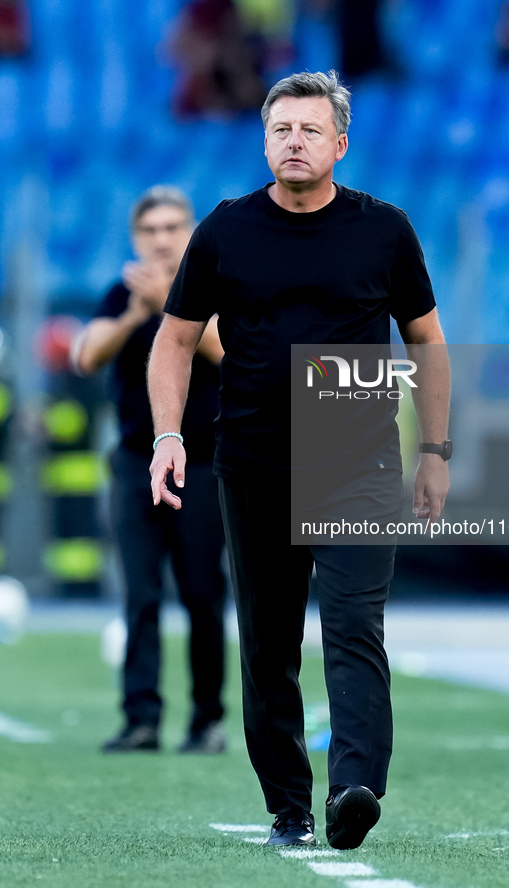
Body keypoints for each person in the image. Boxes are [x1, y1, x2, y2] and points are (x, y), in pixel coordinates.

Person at [148, 72, 451, 847]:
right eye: (281, 129)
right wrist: (169, 436)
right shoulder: (224, 230)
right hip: (251, 466)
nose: (294, 141)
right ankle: (288, 805)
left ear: (339, 144)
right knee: (269, 644)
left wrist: (434, 451)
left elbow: (427, 343)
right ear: (263, 140)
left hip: (358, 465)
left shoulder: (383, 230)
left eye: (310, 130)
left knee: (353, 628)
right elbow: (175, 340)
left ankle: (353, 787)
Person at [74, 186, 227, 755]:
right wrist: (139, 311)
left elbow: (235, 354)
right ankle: (141, 718)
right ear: (137, 238)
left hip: (204, 465)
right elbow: (86, 355)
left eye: (171, 228)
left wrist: (172, 303)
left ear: (189, 231)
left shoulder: (213, 287)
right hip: (138, 462)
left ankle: (206, 719)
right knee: (139, 593)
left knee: (202, 593)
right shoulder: (124, 292)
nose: (162, 239)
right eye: (150, 230)